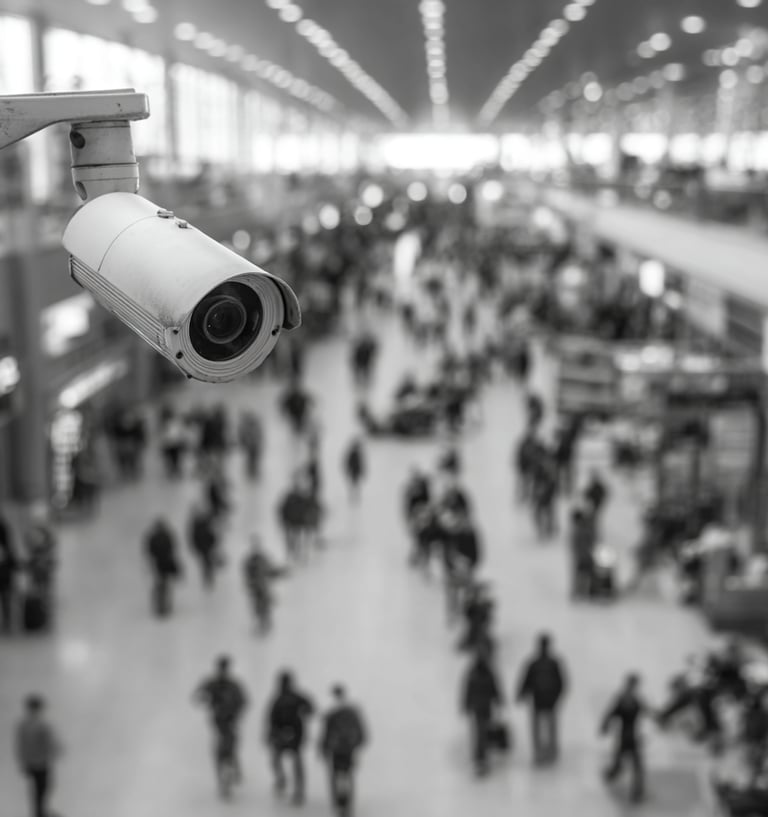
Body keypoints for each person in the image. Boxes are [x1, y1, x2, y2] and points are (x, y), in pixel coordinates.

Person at [194, 656, 249, 799]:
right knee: (222, 750)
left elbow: (244, 701)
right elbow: (197, 696)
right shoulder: (214, 683)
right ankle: (225, 780)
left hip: (229, 722)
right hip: (219, 722)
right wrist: (204, 699)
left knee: (228, 749)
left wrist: (236, 714)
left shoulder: (232, 685)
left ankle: (230, 776)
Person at [600, 673, 653, 803]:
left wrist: (604, 726)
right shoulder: (633, 699)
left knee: (622, 762)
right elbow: (647, 710)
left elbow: (611, 713)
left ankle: (612, 775)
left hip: (625, 736)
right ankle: (636, 793)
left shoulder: (624, 698)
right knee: (637, 766)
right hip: (632, 736)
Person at [516, 633, 567, 764]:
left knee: (547, 728)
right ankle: (542, 753)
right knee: (543, 729)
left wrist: (557, 696)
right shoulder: (537, 663)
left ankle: (548, 753)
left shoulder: (548, 663)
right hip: (540, 701)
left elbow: (561, 682)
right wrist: (522, 692)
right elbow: (527, 680)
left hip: (546, 701)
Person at [265, 671, 315, 804]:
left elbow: (271, 718)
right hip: (292, 734)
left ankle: (289, 784)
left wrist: (270, 734)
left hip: (288, 734)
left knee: (281, 759)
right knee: (292, 761)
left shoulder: (281, 698)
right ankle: (295, 788)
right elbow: (310, 709)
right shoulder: (291, 697)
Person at [319, 685, 368, 817]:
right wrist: (359, 742)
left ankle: (338, 804)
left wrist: (323, 748)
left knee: (335, 776)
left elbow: (325, 732)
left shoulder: (331, 711)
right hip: (349, 749)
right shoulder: (352, 711)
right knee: (348, 775)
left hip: (336, 749)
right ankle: (348, 805)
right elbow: (361, 731)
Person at [15, 695, 62, 817]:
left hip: (30, 763)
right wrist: (57, 752)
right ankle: (40, 813)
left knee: (36, 789)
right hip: (41, 763)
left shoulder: (22, 725)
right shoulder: (43, 725)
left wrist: (22, 762)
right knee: (42, 789)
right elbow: (50, 743)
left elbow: (20, 746)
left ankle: (38, 811)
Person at [461, 647, 504, 776]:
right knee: (481, 732)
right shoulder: (480, 672)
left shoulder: (477, 672)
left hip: (481, 706)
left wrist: (498, 699)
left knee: (481, 732)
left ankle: (481, 757)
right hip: (480, 707)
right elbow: (469, 690)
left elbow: (493, 687)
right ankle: (480, 758)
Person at [242, 537, 285, 633]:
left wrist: (280, 572)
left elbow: (270, 571)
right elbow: (247, 575)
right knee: (259, 605)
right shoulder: (250, 561)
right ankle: (262, 623)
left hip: (262, 587)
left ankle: (264, 622)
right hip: (257, 588)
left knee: (264, 604)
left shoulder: (262, 558)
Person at [144, 519, 182, 618]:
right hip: (161, 564)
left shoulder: (157, 537)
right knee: (163, 585)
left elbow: (149, 550)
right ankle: (162, 607)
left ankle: (162, 607)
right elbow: (172, 547)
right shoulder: (164, 536)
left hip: (161, 564)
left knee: (162, 585)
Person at [188, 507, 220, 590]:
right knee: (207, 563)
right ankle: (208, 579)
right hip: (205, 548)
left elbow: (195, 538)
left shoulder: (198, 526)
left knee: (207, 563)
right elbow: (210, 535)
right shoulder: (200, 526)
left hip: (205, 547)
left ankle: (208, 578)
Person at [0, 513, 19, 634]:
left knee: (6, 595)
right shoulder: (4, 526)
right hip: (5, 567)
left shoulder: (3, 526)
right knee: (6, 595)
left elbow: (8, 549)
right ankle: (7, 622)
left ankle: (8, 622)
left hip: (4, 568)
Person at [238, 411, 263, 480]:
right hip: (251, 446)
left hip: (254, 446)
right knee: (251, 458)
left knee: (253, 458)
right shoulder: (249, 427)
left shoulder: (253, 427)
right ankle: (252, 469)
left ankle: (253, 469)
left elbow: (259, 436)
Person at [342, 438, 366, 503]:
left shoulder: (358, 454)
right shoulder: (352, 454)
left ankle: (356, 497)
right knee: (353, 484)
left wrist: (362, 471)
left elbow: (361, 463)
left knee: (356, 484)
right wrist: (348, 470)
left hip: (356, 471)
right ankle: (352, 497)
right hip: (353, 471)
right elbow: (348, 463)